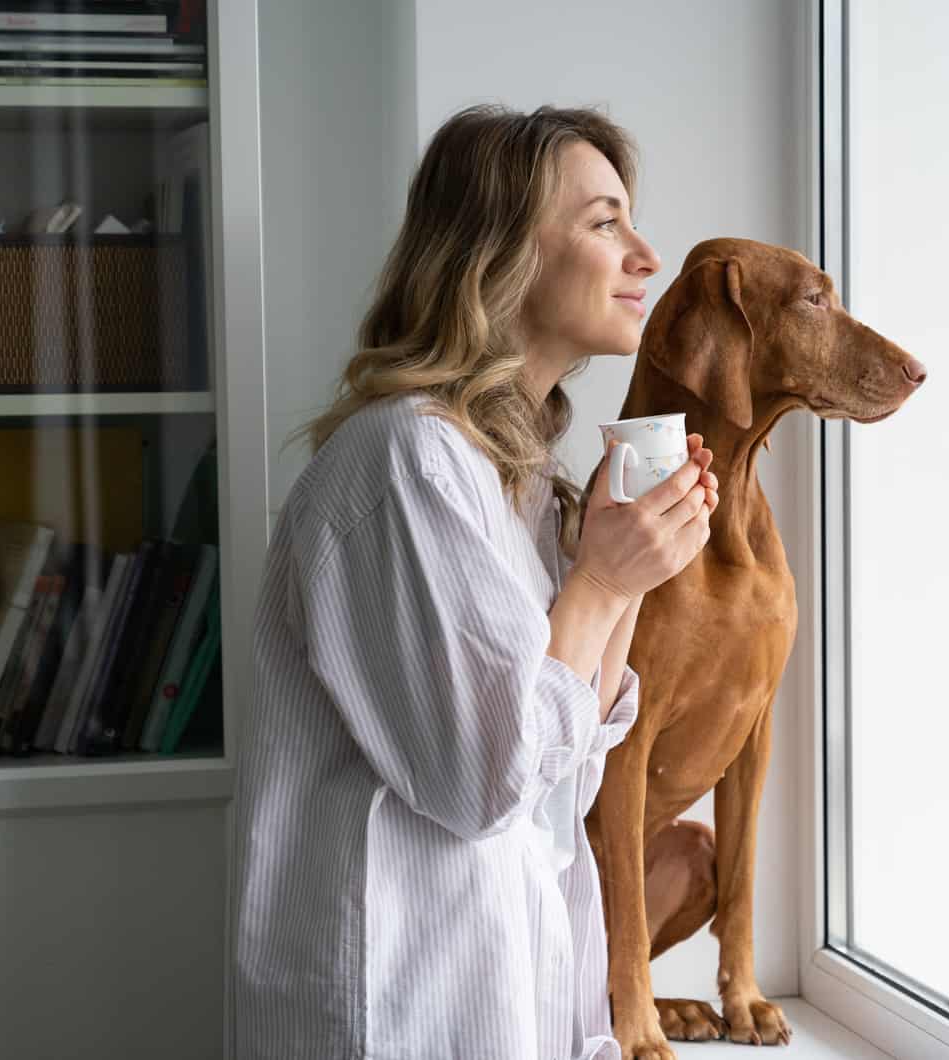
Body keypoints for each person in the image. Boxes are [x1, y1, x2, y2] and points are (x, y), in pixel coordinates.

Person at [232, 103, 719, 1059]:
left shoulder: (519, 476)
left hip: (494, 994)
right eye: (604, 221)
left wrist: (618, 577)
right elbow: (483, 779)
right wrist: (600, 586)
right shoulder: (406, 461)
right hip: (403, 1004)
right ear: (498, 255)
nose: (646, 256)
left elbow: (562, 780)